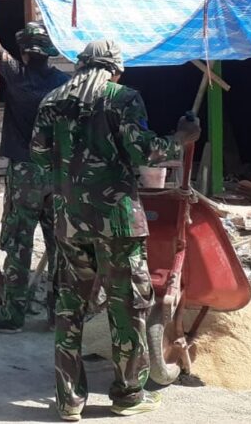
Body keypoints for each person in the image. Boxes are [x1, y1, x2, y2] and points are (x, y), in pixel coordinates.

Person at [30, 40, 199, 420]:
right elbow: (145, 152)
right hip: (117, 223)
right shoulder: (122, 98)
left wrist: (70, 177)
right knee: (127, 307)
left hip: (70, 221)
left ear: (81, 65)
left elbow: (38, 156)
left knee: (70, 308)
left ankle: (69, 401)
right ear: (115, 70)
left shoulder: (51, 101)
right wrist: (180, 138)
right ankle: (128, 395)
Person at [0, 0, 70, 333]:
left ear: (24, 51)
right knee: (59, 246)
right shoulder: (64, 83)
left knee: (19, 244)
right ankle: (59, 316)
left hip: (25, 173)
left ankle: (13, 316)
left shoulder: (17, 76)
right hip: (57, 174)